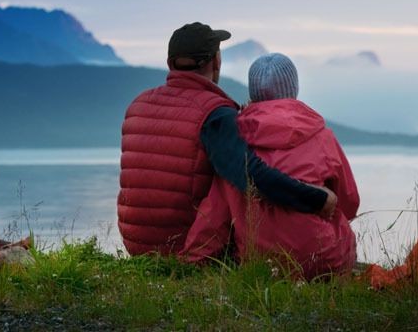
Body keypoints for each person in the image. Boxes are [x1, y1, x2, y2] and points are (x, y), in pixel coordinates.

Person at [118, 23, 337, 256]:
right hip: (186, 247)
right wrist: (316, 199)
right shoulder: (215, 113)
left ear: (170, 64)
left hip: (137, 245)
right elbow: (251, 176)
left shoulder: (138, 105)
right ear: (216, 62)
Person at [182, 53, 360, 277]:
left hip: (262, 264)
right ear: (293, 89)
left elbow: (215, 214)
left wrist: (191, 260)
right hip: (324, 260)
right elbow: (349, 202)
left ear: (253, 93)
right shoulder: (323, 137)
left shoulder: (235, 146)